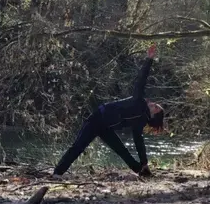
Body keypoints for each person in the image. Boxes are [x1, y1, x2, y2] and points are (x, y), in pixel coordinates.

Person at [53, 44, 164, 177]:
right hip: (98, 118)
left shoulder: (140, 121)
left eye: (156, 108)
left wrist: (144, 161)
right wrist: (149, 59)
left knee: (122, 150)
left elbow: (138, 142)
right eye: (156, 105)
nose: (154, 104)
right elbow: (141, 80)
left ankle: (140, 170)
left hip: (106, 127)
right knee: (78, 147)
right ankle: (57, 173)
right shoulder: (139, 100)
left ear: (154, 115)